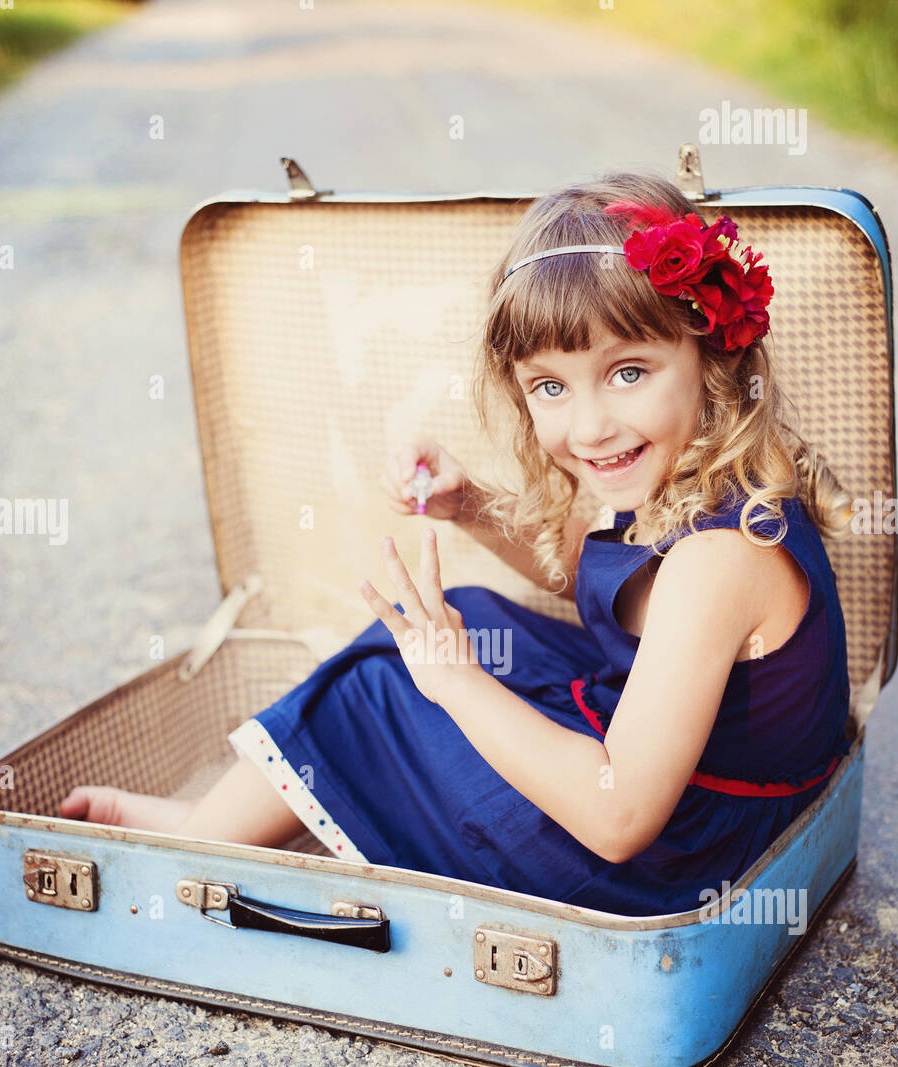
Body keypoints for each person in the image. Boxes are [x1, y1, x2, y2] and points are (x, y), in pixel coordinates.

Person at [60, 170, 854, 916]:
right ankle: (230, 814)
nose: (589, 427)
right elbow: (598, 578)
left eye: (628, 372)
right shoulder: (695, 484)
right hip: (697, 788)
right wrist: (469, 505)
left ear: (712, 359)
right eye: (550, 386)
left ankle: (190, 844)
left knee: (383, 691)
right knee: (471, 614)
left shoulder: (719, 561)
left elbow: (617, 818)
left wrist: (457, 685)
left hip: (673, 860)